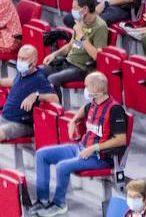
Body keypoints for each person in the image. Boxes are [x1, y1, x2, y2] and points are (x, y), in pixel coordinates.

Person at [30, 72, 129, 217]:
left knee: (62, 166)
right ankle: (42, 200)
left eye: (87, 86)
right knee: (42, 154)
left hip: (99, 157)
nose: (85, 89)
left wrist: (94, 148)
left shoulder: (115, 110)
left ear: (97, 89)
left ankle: (59, 204)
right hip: (80, 148)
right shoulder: (93, 104)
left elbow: (121, 140)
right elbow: (84, 109)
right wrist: (73, 120)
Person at [0, 45, 57, 160]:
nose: (20, 61)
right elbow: (13, 81)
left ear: (34, 62)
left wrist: (36, 96)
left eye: (24, 59)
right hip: (4, 118)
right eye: (19, 58)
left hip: (21, 124)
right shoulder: (22, 72)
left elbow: (54, 98)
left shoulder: (39, 78)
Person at [41, 0, 108, 88]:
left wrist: (82, 36)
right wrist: (54, 54)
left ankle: (54, 102)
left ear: (85, 9)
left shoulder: (100, 26)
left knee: (52, 79)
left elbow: (97, 56)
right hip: (68, 62)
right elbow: (70, 46)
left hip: (82, 68)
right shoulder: (80, 21)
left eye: (75, 8)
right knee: (38, 72)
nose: (72, 11)